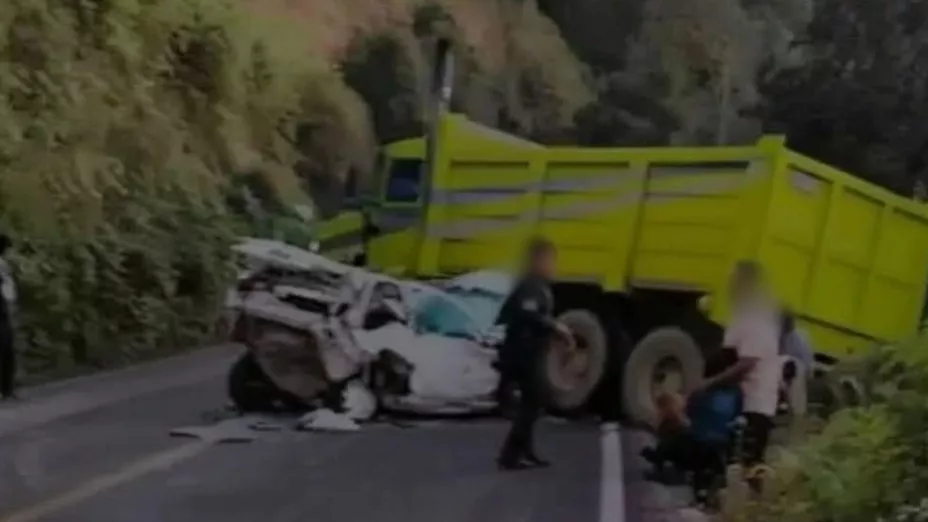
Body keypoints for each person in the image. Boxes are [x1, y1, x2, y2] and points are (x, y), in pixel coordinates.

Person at [690, 260, 780, 492]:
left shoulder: (756, 318)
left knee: (746, 468)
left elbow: (745, 365)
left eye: (735, 280)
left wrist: (709, 383)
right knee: (731, 466)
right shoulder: (745, 314)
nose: (730, 285)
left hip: (755, 404)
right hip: (740, 402)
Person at [494, 237, 569, 471]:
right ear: (537, 260)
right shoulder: (530, 285)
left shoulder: (537, 285)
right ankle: (510, 455)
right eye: (548, 260)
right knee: (533, 401)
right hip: (522, 352)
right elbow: (529, 314)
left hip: (529, 351)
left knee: (533, 402)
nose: (551, 266)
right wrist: (556, 327)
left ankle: (525, 452)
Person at [642, 349, 742, 507]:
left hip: (696, 446)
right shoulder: (737, 393)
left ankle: (660, 461)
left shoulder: (700, 392)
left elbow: (689, 416)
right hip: (720, 449)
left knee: (674, 427)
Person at [0, 234, 17, 400]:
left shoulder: (4, 266)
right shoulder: (1, 267)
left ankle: (7, 389)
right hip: (2, 313)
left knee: (8, 352)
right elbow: (6, 292)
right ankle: (6, 389)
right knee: (6, 351)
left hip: (5, 312)